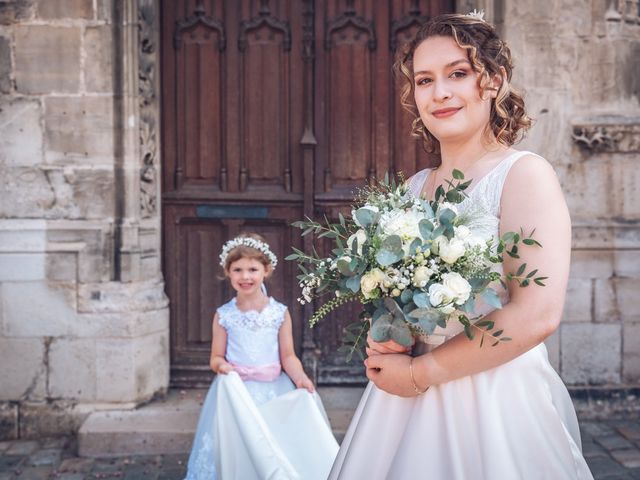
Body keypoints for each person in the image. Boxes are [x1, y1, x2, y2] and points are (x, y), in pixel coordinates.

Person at [328, 12, 594, 480]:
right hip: (401, 410)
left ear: (493, 81)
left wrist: (418, 375)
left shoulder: (524, 175)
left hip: (494, 401)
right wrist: (387, 332)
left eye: (458, 73)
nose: (440, 93)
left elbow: (536, 314)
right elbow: (399, 301)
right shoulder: (413, 189)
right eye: (425, 80)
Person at [185, 233, 338, 480]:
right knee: (239, 443)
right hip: (237, 393)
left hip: (274, 391)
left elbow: (288, 356)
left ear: (267, 270)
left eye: (253, 269)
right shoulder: (224, 315)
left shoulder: (279, 313)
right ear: (228, 272)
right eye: (238, 270)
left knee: (272, 446)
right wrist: (223, 366)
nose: (245, 276)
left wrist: (300, 378)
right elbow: (215, 357)